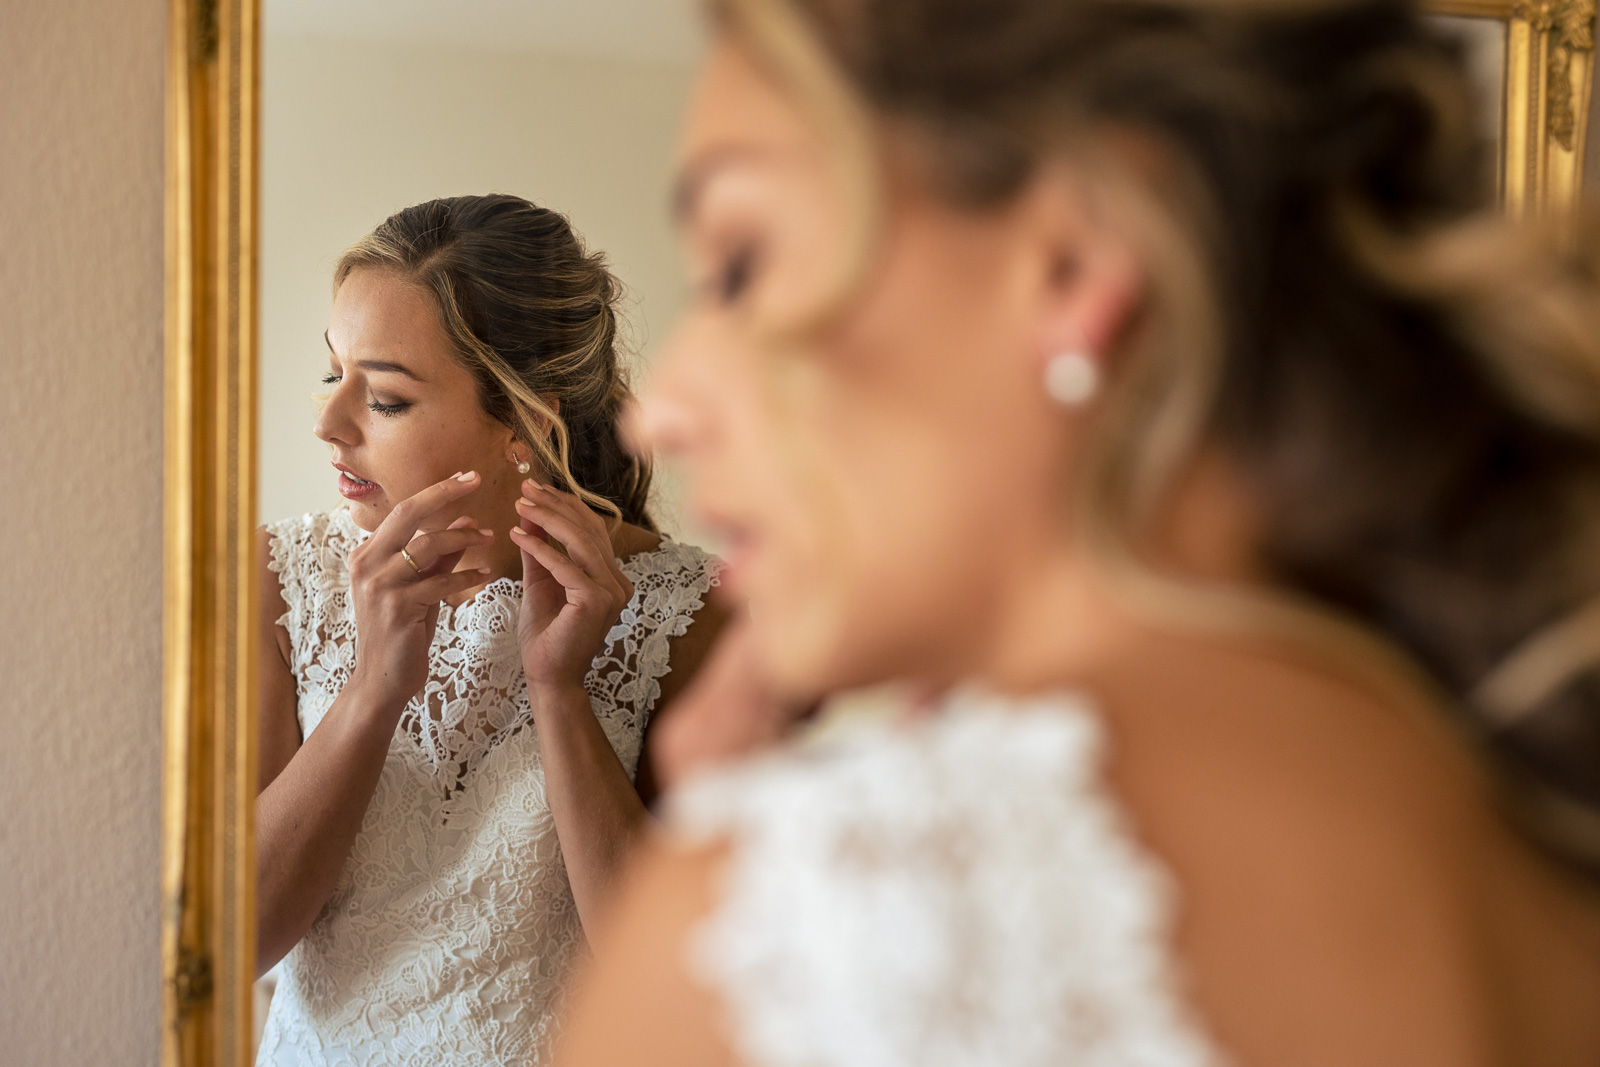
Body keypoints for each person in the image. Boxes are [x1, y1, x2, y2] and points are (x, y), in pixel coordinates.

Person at [553, 0, 1600, 1064]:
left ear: (1076, 261)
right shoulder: (1532, 839)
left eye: (741, 263)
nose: (661, 408)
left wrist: (718, 903)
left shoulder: (791, 938)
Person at [253, 194, 725, 1066]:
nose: (329, 423)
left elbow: (664, 984)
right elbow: (228, 937)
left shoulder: (689, 613)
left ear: (523, 427)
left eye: (386, 397)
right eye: (334, 374)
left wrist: (560, 689)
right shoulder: (278, 582)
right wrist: (372, 689)